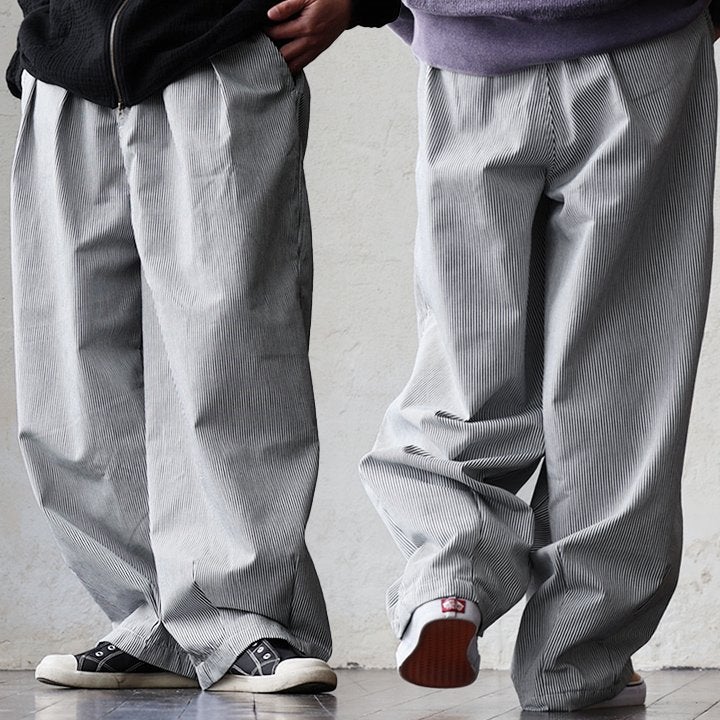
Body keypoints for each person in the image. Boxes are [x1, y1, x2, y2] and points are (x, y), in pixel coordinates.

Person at [7, 0, 400, 694]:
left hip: (214, 46)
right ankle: (149, 621)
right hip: (64, 66)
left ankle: (242, 619)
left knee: (233, 360)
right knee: (72, 374)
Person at [360, 0, 719, 711]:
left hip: (469, 49)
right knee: (619, 373)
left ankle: (448, 580)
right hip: (640, 39)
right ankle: (574, 662)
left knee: (466, 355)